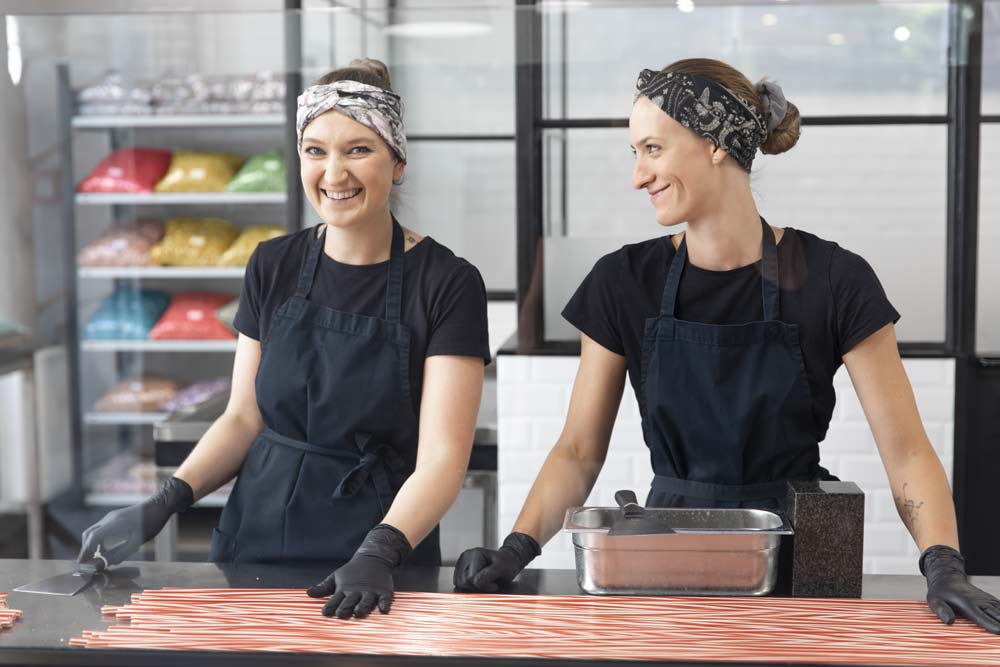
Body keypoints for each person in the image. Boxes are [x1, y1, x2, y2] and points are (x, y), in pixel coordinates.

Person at [453, 58, 1000, 634]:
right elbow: (577, 451)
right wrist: (516, 549)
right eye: (634, 153)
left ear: (715, 143)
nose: (638, 176)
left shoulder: (836, 279)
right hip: (667, 559)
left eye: (653, 149)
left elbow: (908, 451)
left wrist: (943, 564)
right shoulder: (623, 282)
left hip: (800, 565)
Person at [78, 58, 491, 619]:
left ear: (397, 163)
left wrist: (381, 550)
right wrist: (165, 501)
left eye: (358, 149)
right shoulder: (273, 263)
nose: (334, 173)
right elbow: (244, 418)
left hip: (376, 555)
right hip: (256, 534)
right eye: (315, 150)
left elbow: (442, 458)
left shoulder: (447, 282)